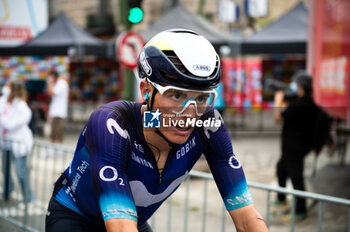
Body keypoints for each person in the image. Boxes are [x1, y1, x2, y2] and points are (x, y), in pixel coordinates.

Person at [46, 29, 269, 232]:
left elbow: (247, 218)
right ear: (146, 90)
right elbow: (121, 228)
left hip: (133, 219)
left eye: (201, 98)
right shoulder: (112, 123)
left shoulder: (208, 126)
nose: (189, 115)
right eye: (177, 95)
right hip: (76, 216)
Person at [273, 70, 318, 221]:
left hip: (293, 148)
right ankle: (281, 199)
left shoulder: (298, 105)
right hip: (299, 147)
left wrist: (278, 100)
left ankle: (301, 210)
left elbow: (278, 118)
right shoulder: (310, 103)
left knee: (296, 178)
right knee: (281, 169)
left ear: (300, 86)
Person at [0, 80, 34, 202]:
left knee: (21, 173)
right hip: (6, 144)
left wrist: (3, 119)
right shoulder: (3, 101)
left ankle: (28, 199)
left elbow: (10, 125)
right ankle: (7, 192)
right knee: (5, 170)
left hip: (19, 144)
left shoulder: (22, 106)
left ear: (14, 90)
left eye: (8, 86)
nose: (6, 88)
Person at [46, 70, 69, 143]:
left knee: (58, 127)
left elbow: (53, 93)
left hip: (60, 109)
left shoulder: (61, 84)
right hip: (55, 108)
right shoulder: (55, 84)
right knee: (53, 126)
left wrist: (49, 84)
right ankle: (54, 141)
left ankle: (60, 141)